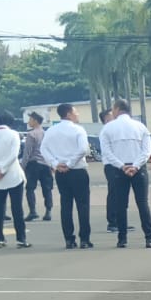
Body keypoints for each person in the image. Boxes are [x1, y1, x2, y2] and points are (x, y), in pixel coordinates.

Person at [99, 99, 151, 249]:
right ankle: (149, 237)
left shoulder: (108, 128)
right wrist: (135, 166)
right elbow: (147, 151)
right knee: (142, 203)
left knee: (121, 204)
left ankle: (122, 239)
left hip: (118, 170)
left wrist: (122, 166)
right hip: (138, 169)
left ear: (117, 109)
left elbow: (107, 152)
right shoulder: (140, 126)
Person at [41, 103, 92, 248]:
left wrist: (55, 163)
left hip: (61, 172)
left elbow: (43, 149)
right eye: (76, 112)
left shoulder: (51, 130)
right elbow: (83, 149)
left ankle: (69, 239)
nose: (78, 114)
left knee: (66, 205)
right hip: (77, 170)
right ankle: (84, 239)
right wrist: (70, 163)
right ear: (69, 114)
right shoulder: (78, 129)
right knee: (83, 205)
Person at [0, 111, 30, 249]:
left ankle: (0, 238)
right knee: (17, 208)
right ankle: (21, 239)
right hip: (12, 175)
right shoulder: (13, 134)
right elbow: (14, 155)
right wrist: (3, 170)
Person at [22, 112, 53, 222]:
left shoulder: (31, 134)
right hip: (45, 163)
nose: (28, 122)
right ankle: (48, 211)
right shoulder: (46, 134)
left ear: (35, 121)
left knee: (30, 188)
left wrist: (23, 166)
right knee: (47, 188)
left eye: (30, 120)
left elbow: (27, 152)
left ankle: (33, 211)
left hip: (33, 164)